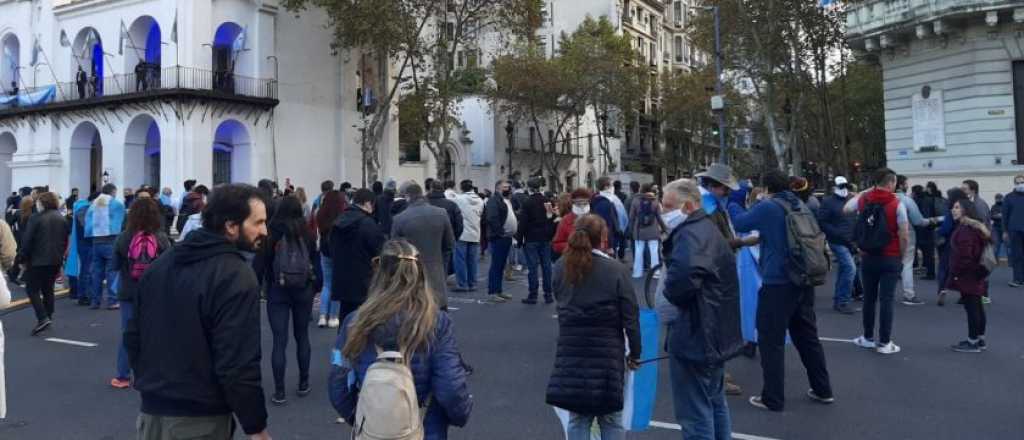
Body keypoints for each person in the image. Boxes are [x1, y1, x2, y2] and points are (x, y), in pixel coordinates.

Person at [125, 184, 272, 440]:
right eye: (258, 222)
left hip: (151, 416)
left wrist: (152, 384)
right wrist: (255, 427)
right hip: (200, 419)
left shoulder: (162, 264)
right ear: (231, 226)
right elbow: (237, 362)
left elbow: (133, 336)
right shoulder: (235, 275)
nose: (265, 231)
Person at [329, 239, 472, 439]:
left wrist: (362, 419)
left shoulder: (355, 322)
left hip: (372, 430)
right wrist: (460, 414)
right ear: (420, 275)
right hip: (425, 428)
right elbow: (450, 388)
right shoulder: (436, 323)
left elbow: (339, 382)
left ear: (379, 274)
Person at [733, 170, 833, 411]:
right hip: (803, 278)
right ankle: (823, 389)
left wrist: (735, 199)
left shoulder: (768, 207)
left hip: (778, 282)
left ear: (767, 188)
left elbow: (740, 223)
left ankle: (773, 398)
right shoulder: (799, 204)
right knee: (807, 337)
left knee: (770, 340)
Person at [545, 214, 639, 440]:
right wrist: (635, 352)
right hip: (608, 351)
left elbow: (560, 300)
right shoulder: (616, 270)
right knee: (611, 418)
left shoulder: (561, 267)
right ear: (603, 237)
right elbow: (630, 317)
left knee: (578, 417)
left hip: (571, 348)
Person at [661, 179, 743, 439]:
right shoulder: (706, 229)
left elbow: (680, 284)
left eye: (668, 206)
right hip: (713, 330)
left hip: (696, 332)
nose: (663, 212)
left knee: (694, 412)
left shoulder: (691, 235)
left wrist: (669, 291)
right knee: (714, 402)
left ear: (687, 206)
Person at [843, 168, 910, 354]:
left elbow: (846, 209)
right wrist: (901, 256)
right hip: (890, 256)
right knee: (887, 300)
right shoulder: (897, 204)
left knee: (869, 299)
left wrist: (865, 192)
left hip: (868, 255)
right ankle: (885, 342)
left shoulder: (864, 199)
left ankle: (867, 337)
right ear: (890, 183)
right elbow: (904, 234)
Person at [263, 196, 321, 405]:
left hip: (278, 290)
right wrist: (315, 286)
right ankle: (303, 382)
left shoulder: (272, 232)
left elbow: (263, 262)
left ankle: (279, 391)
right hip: (303, 289)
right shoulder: (307, 232)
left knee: (279, 341)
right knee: (302, 336)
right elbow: (315, 260)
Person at [110, 198, 172, 389]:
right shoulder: (161, 238)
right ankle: (151, 374)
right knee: (153, 333)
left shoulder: (123, 237)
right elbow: (170, 266)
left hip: (129, 291)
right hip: (154, 292)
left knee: (127, 333)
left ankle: (122, 376)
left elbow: (114, 265)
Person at [392, 182, 455, 310]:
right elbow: (449, 243)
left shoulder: (399, 219)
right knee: (438, 313)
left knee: (415, 313)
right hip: (436, 270)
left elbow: (395, 250)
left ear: (407, 197)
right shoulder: (441, 213)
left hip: (411, 275)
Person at [329, 188, 386, 323]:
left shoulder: (338, 221)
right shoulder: (368, 224)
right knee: (364, 322)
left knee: (345, 320)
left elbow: (330, 247)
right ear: (367, 203)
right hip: (364, 281)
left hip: (342, 280)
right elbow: (381, 250)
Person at [19, 192, 68, 335]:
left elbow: (27, 240)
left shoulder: (36, 218)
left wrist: (22, 257)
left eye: (39, 202)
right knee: (48, 288)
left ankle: (42, 317)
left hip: (38, 260)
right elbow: (64, 239)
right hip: (55, 259)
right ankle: (48, 316)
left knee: (31, 289)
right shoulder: (61, 218)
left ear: (43, 203)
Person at [946, 199, 990, 353]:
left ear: (966, 210)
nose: (953, 210)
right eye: (953, 207)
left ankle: (972, 342)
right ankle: (980, 339)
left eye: (957, 207)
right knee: (977, 307)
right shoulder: (976, 227)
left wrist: (956, 273)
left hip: (968, 274)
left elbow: (965, 255)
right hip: (977, 272)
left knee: (972, 308)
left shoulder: (966, 230)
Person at [818, 176, 858, 314]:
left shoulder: (850, 199)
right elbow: (822, 222)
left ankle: (839, 300)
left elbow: (855, 219)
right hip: (837, 241)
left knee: (844, 270)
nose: (844, 188)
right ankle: (842, 301)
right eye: (841, 186)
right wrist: (836, 233)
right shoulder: (828, 202)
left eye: (846, 185)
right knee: (850, 269)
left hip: (849, 241)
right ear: (834, 187)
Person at [894, 175, 934, 305]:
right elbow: (918, 221)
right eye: (906, 183)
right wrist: (935, 220)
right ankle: (909, 295)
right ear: (901, 185)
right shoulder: (906, 200)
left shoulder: (883, 199)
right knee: (906, 264)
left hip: (885, 235)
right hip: (906, 234)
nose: (907, 186)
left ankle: (879, 293)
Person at [85, 184, 126, 310]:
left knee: (96, 272)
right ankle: (112, 300)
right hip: (111, 240)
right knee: (112, 271)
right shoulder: (116, 204)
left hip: (96, 241)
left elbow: (88, 221)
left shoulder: (94, 204)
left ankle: (95, 301)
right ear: (113, 191)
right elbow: (121, 221)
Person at [516, 177, 556, 304]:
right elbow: (551, 219)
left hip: (531, 238)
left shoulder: (527, 202)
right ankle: (548, 294)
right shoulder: (547, 201)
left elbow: (523, 223)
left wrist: (519, 239)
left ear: (529, 188)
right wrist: (550, 234)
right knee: (546, 267)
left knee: (532, 268)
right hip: (545, 237)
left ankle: (533, 295)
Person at [315, 190, 346, 328]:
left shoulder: (320, 214)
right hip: (339, 253)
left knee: (327, 284)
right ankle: (333, 317)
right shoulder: (342, 216)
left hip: (324, 251)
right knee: (337, 284)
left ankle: (322, 316)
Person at [485, 180, 517, 302]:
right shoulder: (494, 200)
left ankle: (499, 290)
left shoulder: (506, 200)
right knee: (496, 265)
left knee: (501, 265)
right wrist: (500, 232)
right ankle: (493, 292)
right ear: (498, 188)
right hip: (499, 237)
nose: (508, 189)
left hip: (507, 237)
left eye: (509, 187)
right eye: (505, 187)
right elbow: (491, 218)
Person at [628, 183, 667, 279]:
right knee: (654, 252)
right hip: (653, 230)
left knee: (638, 251)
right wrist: (664, 229)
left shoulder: (636, 201)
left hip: (639, 231)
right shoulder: (655, 201)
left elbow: (631, 217)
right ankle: (655, 272)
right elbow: (660, 217)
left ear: (641, 190)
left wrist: (630, 230)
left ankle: (637, 273)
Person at [452, 179, 484, 292]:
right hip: (475, 233)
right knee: (472, 261)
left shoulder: (459, 199)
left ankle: (462, 284)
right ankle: (472, 283)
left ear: (461, 188)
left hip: (462, 233)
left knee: (460, 260)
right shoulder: (480, 200)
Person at [591, 177, 628, 256]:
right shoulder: (604, 202)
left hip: (612, 238)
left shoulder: (610, 199)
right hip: (608, 241)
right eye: (612, 185)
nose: (613, 187)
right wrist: (609, 245)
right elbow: (605, 225)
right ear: (606, 187)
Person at [427, 180, 464, 257]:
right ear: (443, 189)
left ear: (431, 189)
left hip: (426, 244)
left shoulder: (423, 203)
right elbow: (459, 225)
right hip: (446, 244)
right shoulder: (452, 205)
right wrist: (452, 239)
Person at [553, 189, 592, 256]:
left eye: (585, 203)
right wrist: (575, 246)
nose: (582, 206)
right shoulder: (565, 220)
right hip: (572, 258)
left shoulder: (596, 220)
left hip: (592, 258)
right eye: (578, 204)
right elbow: (557, 245)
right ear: (573, 204)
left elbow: (604, 242)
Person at [913, 184, 938, 280]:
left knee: (926, 252)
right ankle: (929, 271)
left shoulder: (917, 201)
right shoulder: (930, 199)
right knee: (929, 253)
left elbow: (921, 216)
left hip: (922, 230)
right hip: (929, 229)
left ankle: (929, 273)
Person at [1003, 174, 1024, 287]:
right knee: (1017, 255)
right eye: (1018, 183)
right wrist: (1005, 231)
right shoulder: (1009, 197)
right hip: (1014, 231)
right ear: (1015, 184)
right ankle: (1018, 279)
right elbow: (1005, 215)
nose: (1020, 184)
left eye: (1022, 182)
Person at [991, 193, 1005, 261]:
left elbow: (1008, 216)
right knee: (996, 245)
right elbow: (991, 216)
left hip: (1005, 229)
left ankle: (1012, 261)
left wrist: (999, 215)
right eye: (997, 198)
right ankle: (995, 260)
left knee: (1009, 245)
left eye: (1000, 198)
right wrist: (999, 216)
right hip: (996, 228)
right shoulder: (994, 207)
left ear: (1002, 198)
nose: (998, 199)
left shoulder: (1006, 206)